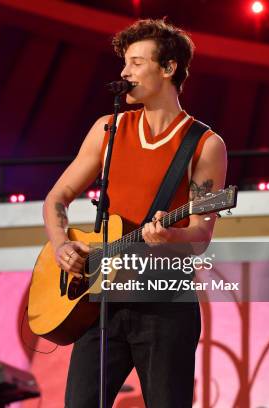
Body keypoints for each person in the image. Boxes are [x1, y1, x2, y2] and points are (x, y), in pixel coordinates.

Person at [42, 19, 227, 407]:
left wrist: (171, 237)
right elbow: (57, 197)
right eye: (124, 63)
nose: (124, 72)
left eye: (136, 62)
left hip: (165, 301)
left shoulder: (206, 144)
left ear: (168, 68)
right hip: (101, 301)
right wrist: (61, 245)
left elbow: (200, 235)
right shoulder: (107, 129)